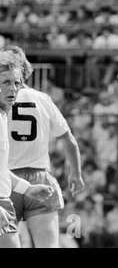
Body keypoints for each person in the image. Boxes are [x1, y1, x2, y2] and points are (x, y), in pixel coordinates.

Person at [3, 45, 85, 248]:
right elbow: (69, 140)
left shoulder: (5, 103)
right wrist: (75, 173)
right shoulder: (42, 99)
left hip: (6, 180)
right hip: (38, 177)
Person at [0, 51, 53, 248]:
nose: (13, 89)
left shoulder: (3, 116)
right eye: (6, 82)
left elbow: (0, 171)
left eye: (17, 83)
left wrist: (27, 188)